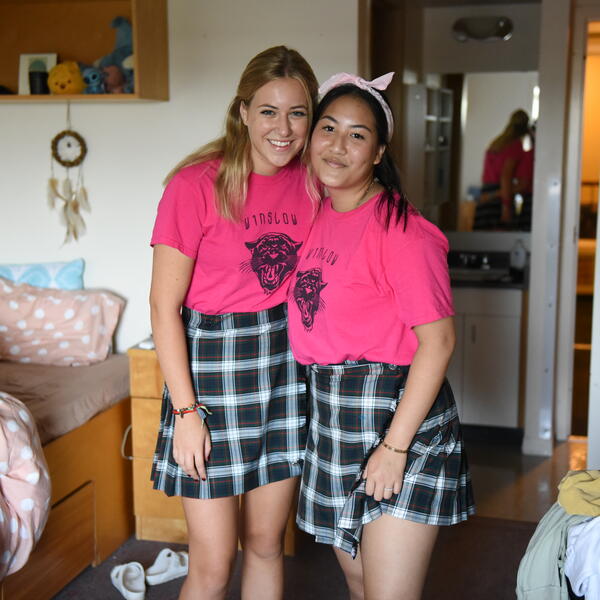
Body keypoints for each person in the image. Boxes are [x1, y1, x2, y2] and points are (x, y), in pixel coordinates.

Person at [287, 72, 475, 600]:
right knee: (360, 581)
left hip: (400, 420)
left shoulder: (403, 230)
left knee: (391, 592)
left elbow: (438, 342)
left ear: (378, 152)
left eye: (357, 134)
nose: (337, 146)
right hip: (333, 417)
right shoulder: (318, 213)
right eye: (328, 128)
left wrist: (395, 447)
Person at [148, 46, 318, 600]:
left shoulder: (316, 184)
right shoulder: (195, 184)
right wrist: (186, 412)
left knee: (267, 542)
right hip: (211, 378)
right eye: (268, 110)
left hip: (284, 370)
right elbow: (163, 308)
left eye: (298, 112)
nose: (284, 128)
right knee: (214, 562)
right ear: (243, 111)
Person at [474, 109, 530, 230]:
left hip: (486, 191)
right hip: (498, 198)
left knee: (481, 240)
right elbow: (506, 176)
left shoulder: (497, 142)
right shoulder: (515, 146)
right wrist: (506, 206)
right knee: (498, 242)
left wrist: (488, 195)